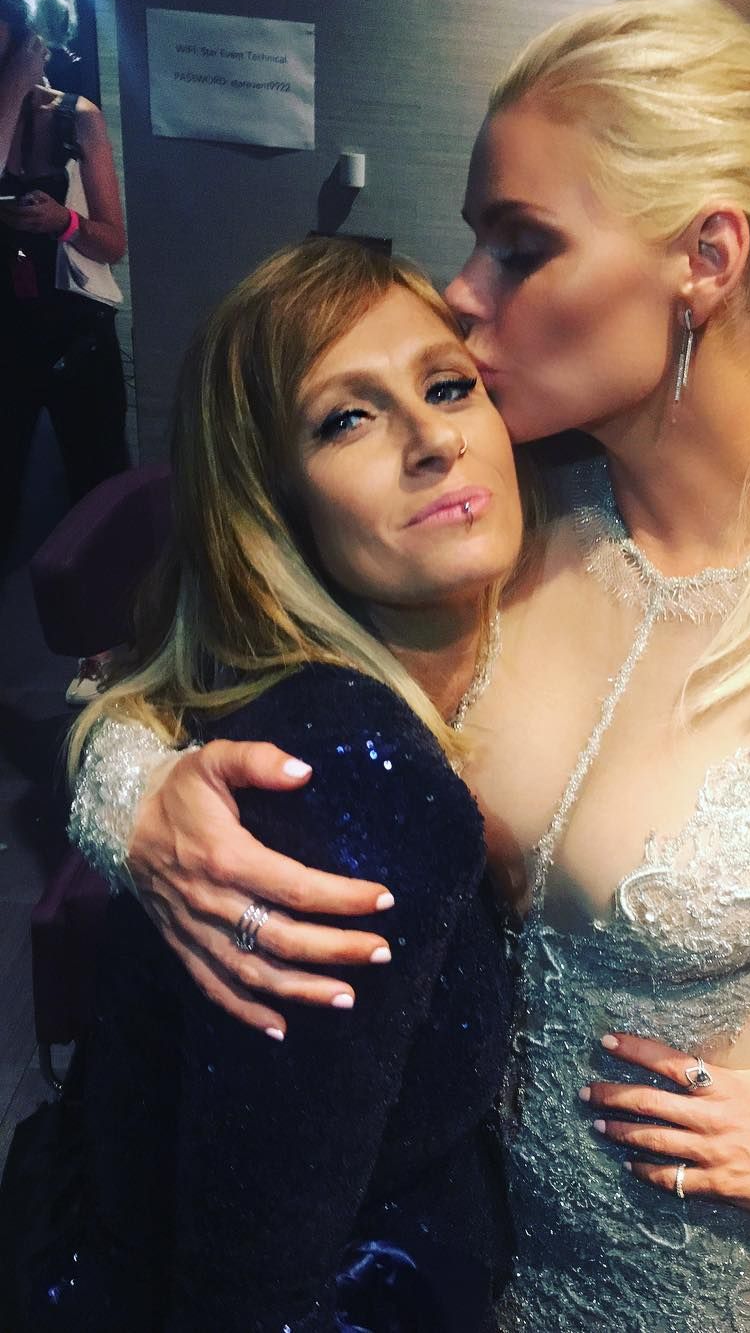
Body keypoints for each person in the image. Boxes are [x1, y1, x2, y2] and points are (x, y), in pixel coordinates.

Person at [69, 0, 750, 1331]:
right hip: (455, 1263)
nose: (460, 291)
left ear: (705, 259)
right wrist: (137, 802)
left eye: (520, 246)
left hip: (702, 1281)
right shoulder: (501, 517)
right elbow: (185, 661)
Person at [10, 237, 522, 1331]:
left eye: (448, 385)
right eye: (348, 418)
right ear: (274, 504)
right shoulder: (351, 778)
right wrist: (122, 790)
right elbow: (249, 1287)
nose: (435, 438)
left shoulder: (547, 569)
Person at [0, 0, 128, 569]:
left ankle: (115, 612)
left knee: (100, 488)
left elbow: (113, 243)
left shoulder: (77, 116)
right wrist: (11, 87)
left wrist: (63, 221)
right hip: (8, 334)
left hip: (74, 330)